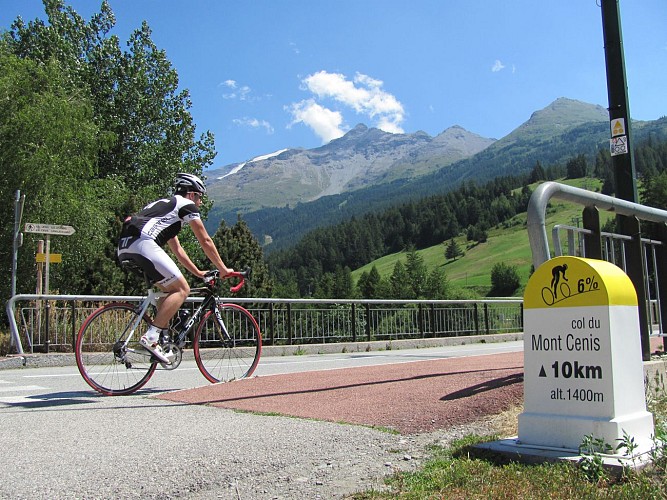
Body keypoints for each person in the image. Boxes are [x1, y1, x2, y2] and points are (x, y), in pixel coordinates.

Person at [117, 173, 233, 363]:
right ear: (191, 194)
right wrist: (223, 268)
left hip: (125, 246)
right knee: (182, 289)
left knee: (169, 291)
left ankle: (161, 340)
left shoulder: (166, 209)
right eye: (199, 197)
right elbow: (205, 240)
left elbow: (178, 250)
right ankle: (151, 337)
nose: (200, 203)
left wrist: (198, 273)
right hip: (143, 243)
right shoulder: (185, 205)